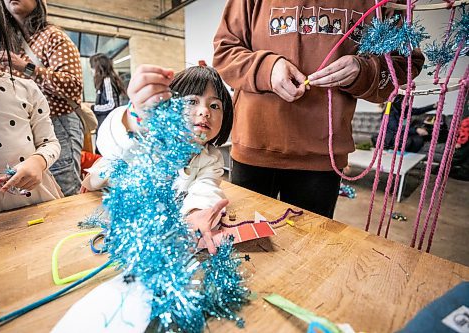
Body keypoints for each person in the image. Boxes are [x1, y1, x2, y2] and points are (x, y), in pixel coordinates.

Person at [213, 1, 424, 218]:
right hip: (254, 148)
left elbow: (406, 64)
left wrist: (363, 70)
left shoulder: (383, 3)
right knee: (246, 242)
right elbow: (224, 52)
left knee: (310, 247)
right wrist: (267, 69)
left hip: (323, 158)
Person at [83, 64, 233, 253]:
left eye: (214, 105)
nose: (204, 111)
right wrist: (134, 116)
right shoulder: (157, 137)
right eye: (192, 101)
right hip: (99, 199)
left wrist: (197, 213)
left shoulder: (211, 158)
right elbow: (113, 143)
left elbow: (206, 188)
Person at [0, 0, 62, 217]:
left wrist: (38, 162)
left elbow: (50, 142)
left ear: (0, 39)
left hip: (35, 197)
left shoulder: (25, 89)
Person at [1, 0, 84, 196]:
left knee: (67, 189)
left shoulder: (52, 36)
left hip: (58, 124)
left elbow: (73, 86)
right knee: (44, 192)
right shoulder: (10, 42)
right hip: (25, 129)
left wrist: (26, 68)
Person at [371, 95, 438, 153]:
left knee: (418, 139)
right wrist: (416, 130)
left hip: (402, 132)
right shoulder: (388, 111)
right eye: (405, 101)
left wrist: (433, 106)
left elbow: (418, 110)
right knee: (408, 141)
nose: (406, 103)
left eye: (407, 101)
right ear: (398, 101)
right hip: (391, 135)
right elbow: (395, 128)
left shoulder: (404, 109)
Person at [89, 53, 126, 132]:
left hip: (108, 125)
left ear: (99, 67)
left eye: (92, 67)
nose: (91, 70)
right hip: (107, 124)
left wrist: (92, 107)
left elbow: (111, 105)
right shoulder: (106, 81)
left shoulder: (107, 81)